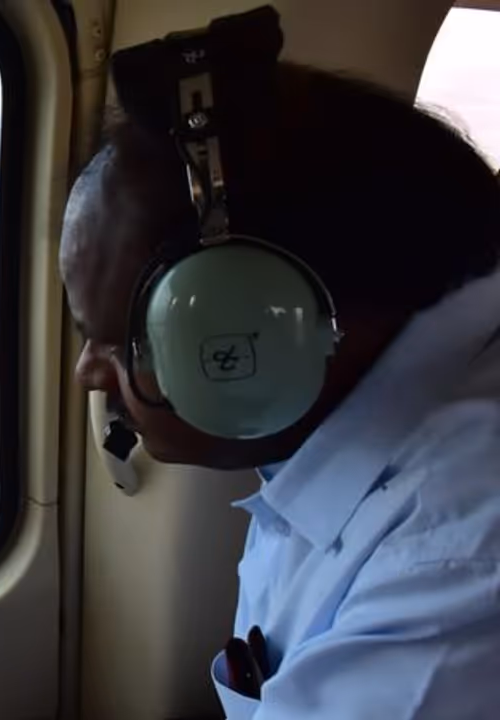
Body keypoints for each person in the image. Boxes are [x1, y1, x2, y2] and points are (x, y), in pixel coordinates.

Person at [62, 58, 500, 718]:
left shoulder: (451, 567)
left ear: (271, 326)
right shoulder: (335, 427)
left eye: (118, 342)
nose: (87, 372)